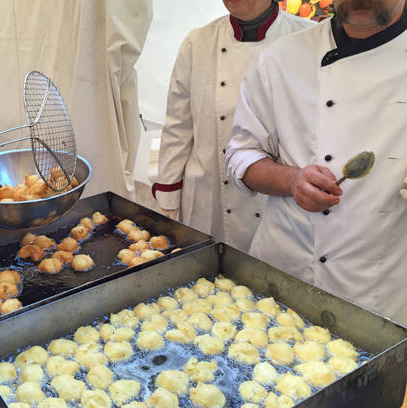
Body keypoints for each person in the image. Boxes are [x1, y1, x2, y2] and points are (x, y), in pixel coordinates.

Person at [225, 0, 406, 325]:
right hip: (281, 278)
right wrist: (292, 180)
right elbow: (241, 154)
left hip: (376, 294)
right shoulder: (282, 59)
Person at [152, 0, 314, 251]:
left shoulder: (307, 38)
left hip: (275, 201)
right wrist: (167, 202)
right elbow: (178, 126)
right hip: (208, 194)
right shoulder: (198, 42)